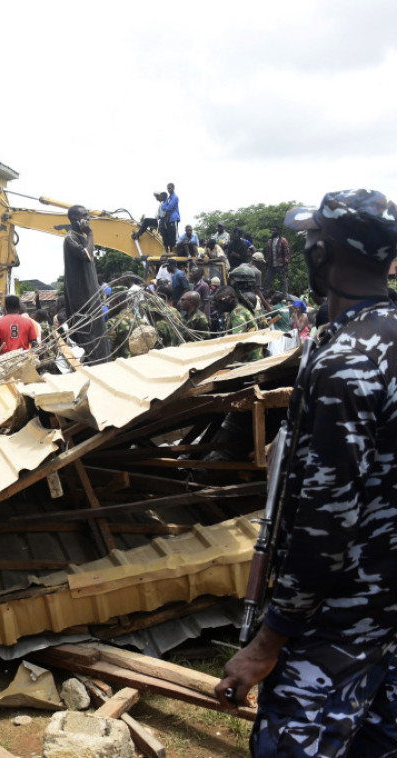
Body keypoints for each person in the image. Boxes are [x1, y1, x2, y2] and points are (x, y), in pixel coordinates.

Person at [216, 189, 397, 756]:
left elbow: (325, 525)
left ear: (326, 258)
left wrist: (268, 642)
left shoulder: (348, 361)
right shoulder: (384, 337)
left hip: (339, 618)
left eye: (311, 242)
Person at [63, 205, 111, 363]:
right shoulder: (71, 239)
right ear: (74, 219)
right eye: (84, 217)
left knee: (99, 335)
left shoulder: (83, 238)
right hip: (82, 298)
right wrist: (90, 233)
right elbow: (87, 255)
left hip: (92, 296)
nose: (88, 220)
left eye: (88, 216)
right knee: (88, 335)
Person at [265, 225, 291, 296]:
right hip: (271, 264)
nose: (272, 232)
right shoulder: (270, 241)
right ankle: (266, 294)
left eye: (274, 230)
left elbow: (286, 252)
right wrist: (267, 262)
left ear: (278, 231)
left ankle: (285, 295)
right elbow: (268, 253)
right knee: (268, 279)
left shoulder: (283, 240)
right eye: (272, 230)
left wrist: (286, 263)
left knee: (283, 280)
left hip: (280, 264)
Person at [160, 183, 180, 249]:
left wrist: (167, 208)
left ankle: (176, 246)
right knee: (169, 235)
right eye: (168, 188)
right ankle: (171, 248)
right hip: (169, 219)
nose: (168, 190)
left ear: (173, 188)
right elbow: (163, 207)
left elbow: (169, 207)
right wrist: (167, 208)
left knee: (175, 234)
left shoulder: (175, 197)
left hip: (174, 218)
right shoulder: (169, 198)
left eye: (170, 188)